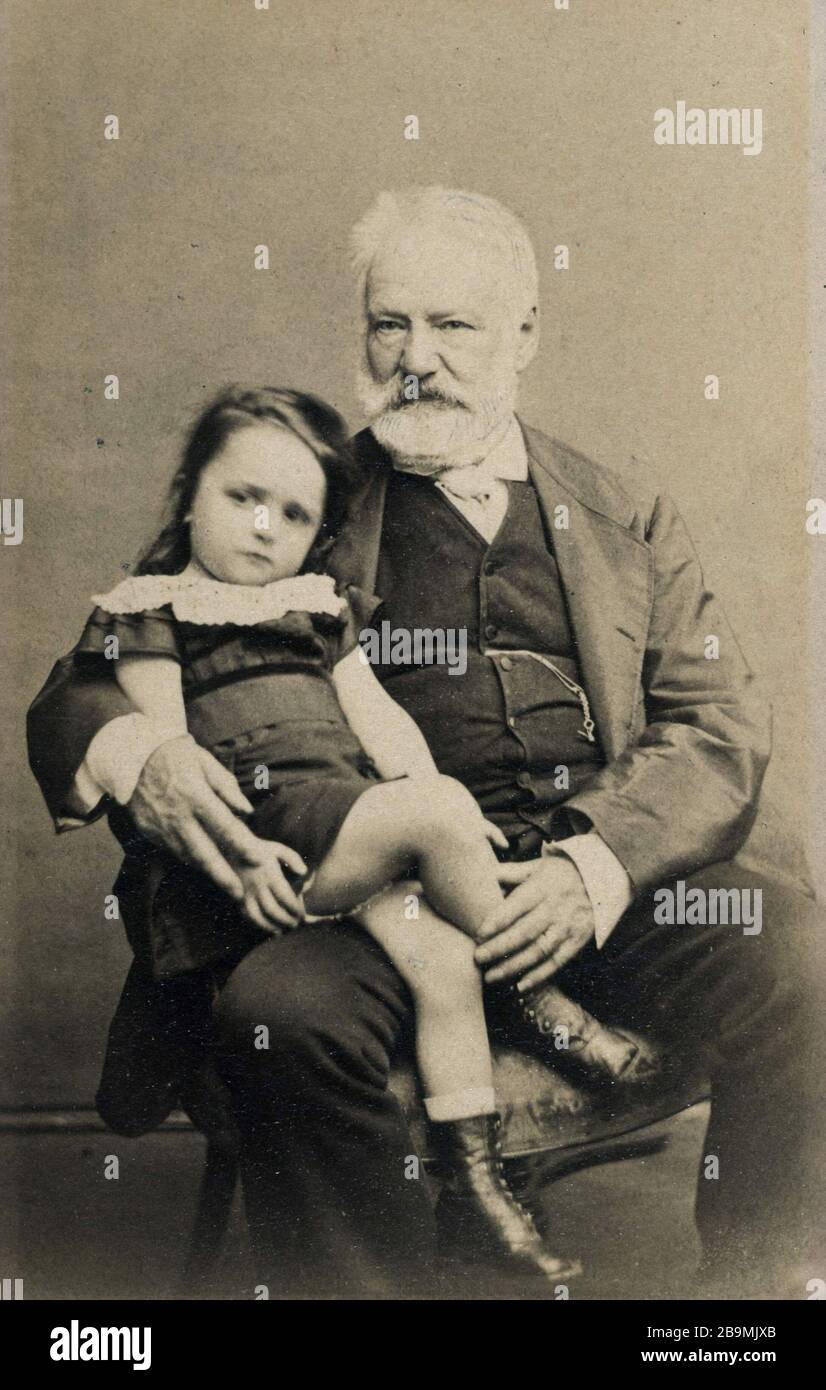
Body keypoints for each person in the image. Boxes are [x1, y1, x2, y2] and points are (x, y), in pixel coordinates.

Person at [28, 186, 824, 1299]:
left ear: (525, 337)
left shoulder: (623, 512)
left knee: (800, 955)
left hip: (582, 890)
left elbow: (719, 720)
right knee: (282, 1015)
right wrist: (140, 757)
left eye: (453, 327)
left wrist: (589, 868)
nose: (417, 358)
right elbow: (90, 671)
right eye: (389, 324)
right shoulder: (304, 489)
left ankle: (752, 1301)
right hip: (367, 891)